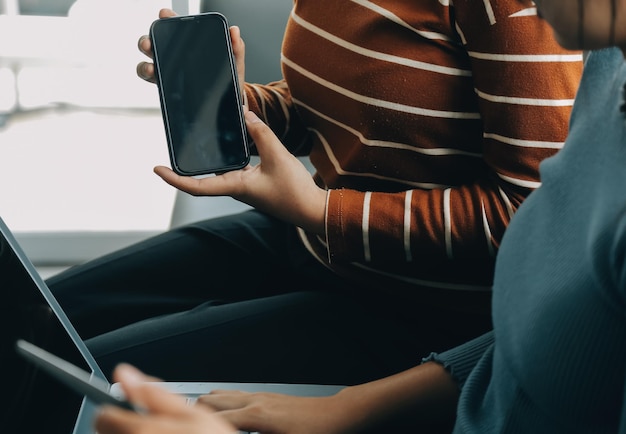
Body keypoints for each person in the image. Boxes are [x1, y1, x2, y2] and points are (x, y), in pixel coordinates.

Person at [94, 0, 626, 432]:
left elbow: (526, 216)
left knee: (86, 373)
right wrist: (238, 110)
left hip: (411, 300)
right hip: (312, 237)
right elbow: (346, 114)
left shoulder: (546, 22)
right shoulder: (606, 71)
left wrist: (324, 211)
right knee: (55, 318)